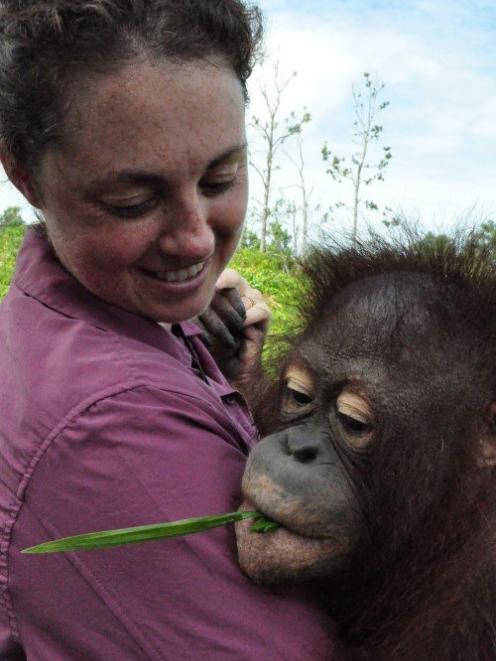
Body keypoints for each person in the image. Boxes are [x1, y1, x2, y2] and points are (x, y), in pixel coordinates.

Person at [0, 1, 338, 659]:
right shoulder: (112, 427)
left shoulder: (93, 313)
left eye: (221, 177)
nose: (194, 241)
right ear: (22, 172)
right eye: (132, 202)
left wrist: (238, 382)